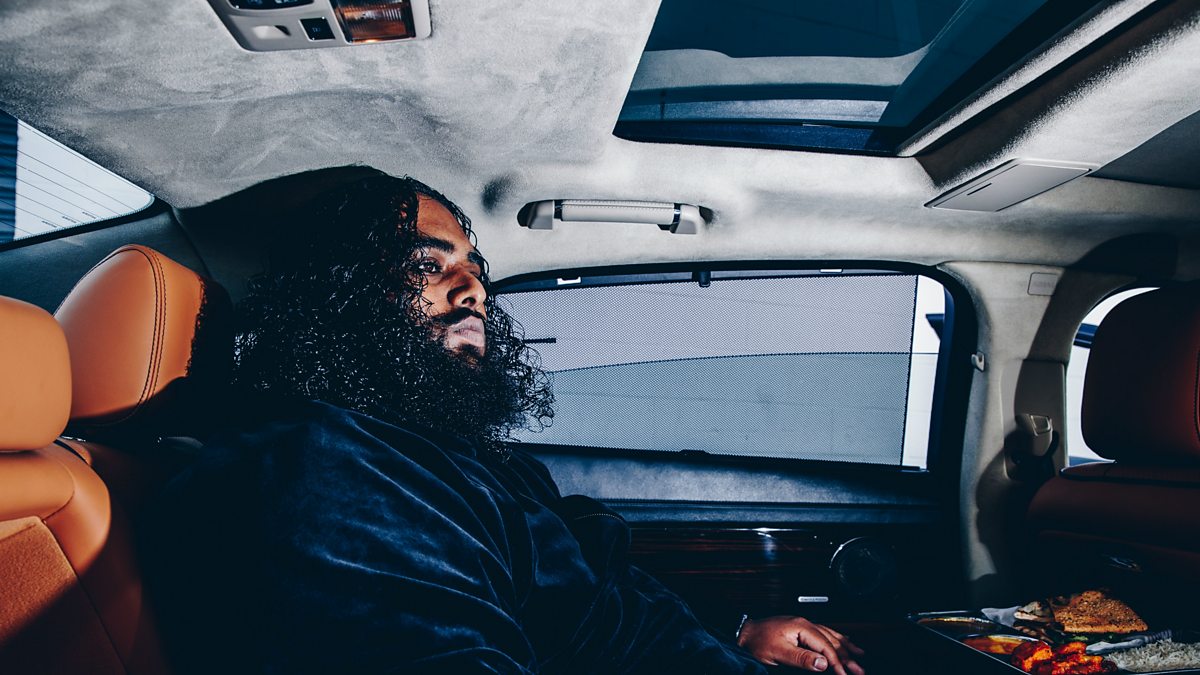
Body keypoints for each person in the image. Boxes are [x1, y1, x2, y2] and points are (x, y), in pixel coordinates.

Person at [147, 171, 866, 675]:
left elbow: (591, 594)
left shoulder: (447, 454)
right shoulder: (322, 473)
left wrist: (734, 630)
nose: (474, 290)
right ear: (336, 296)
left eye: (475, 271)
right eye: (426, 266)